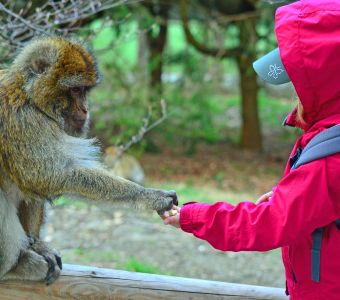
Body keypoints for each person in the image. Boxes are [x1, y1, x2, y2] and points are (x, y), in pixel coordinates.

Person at [162, 1, 340, 299]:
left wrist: (194, 216)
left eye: (298, 81)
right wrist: (298, 194)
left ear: (323, 82)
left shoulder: (329, 158)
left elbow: (269, 224)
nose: (295, 93)